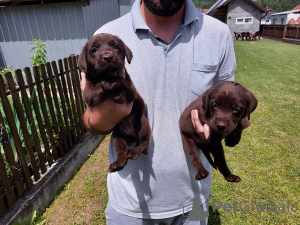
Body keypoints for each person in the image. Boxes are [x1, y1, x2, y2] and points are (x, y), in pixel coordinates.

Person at [81, 0, 250, 224]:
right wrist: (105, 115)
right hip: (130, 204)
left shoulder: (217, 33)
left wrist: (223, 130)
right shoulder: (107, 37)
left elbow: (226, 103)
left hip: (193, 198)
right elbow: (91, 122)